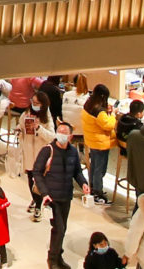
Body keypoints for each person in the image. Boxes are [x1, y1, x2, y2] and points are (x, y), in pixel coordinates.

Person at [27, 124, 83, 269]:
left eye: (64, 133)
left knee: (62, 228)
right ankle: (52, 260)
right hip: (52, 197)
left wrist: (83, 183)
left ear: (71, 136)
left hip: (66, 196)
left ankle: (57, 256)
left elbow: (77, 171)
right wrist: (44, 193)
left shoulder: (73, 152)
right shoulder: (48, 150)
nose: (61, 134)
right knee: (59, 227)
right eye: (59, 132)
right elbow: (37, 172)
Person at [79, 88, 117, 203]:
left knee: (94, 166)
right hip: (100, 143)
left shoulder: (88, 104)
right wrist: (112, 114)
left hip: (92, 140)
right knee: (100, 170)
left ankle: (92, 188)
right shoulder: (99, 111)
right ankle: (98, 193)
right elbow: (109, 125)